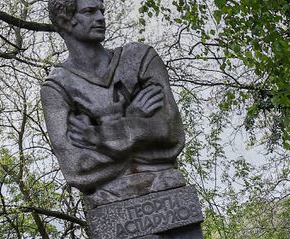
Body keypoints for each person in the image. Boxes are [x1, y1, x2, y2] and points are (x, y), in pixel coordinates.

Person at [42, 0, 186, 208]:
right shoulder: (57, 88)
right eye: (90, 11)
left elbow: (171, 133)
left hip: (168, 190)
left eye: (101, 11)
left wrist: (100, 135)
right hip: (107, 202)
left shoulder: (140, 59)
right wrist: (140, 127)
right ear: (65, 21)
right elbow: (76, 167)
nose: (101, 18)